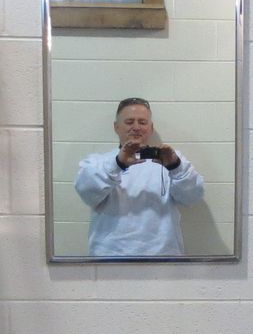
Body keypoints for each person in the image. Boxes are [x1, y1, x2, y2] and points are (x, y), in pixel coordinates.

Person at [74, 97, 205, 256]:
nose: (136, 127)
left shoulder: (172, 160)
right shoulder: (97, 163)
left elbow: (193, 197)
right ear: (116, 127)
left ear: (151, 128)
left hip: (163, 258)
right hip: (110, 258)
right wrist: (117, 164)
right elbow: (87, 193)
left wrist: (175, 167)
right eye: (129, 122)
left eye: (142, 122)